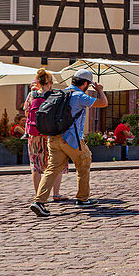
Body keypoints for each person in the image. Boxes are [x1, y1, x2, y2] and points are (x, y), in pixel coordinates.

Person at [30, 69, 107, 217]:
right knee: (84, 163)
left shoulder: (60, 93)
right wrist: (99, 90)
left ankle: (39, 202)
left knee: (52, 169)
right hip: (71, 139)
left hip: (53, 138)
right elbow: (103, 103)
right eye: (88, 84)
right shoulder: (79, 96)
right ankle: (82, 199)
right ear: (85, 83)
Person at [24, 69, 65, 203]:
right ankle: (56, 194)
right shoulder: (55, 95)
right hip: (50, 135)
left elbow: (26, 112)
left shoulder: (32, 95)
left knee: (35, 165)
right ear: (50, 83)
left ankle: (39, 196)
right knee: (55, 164)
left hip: (34, 135)